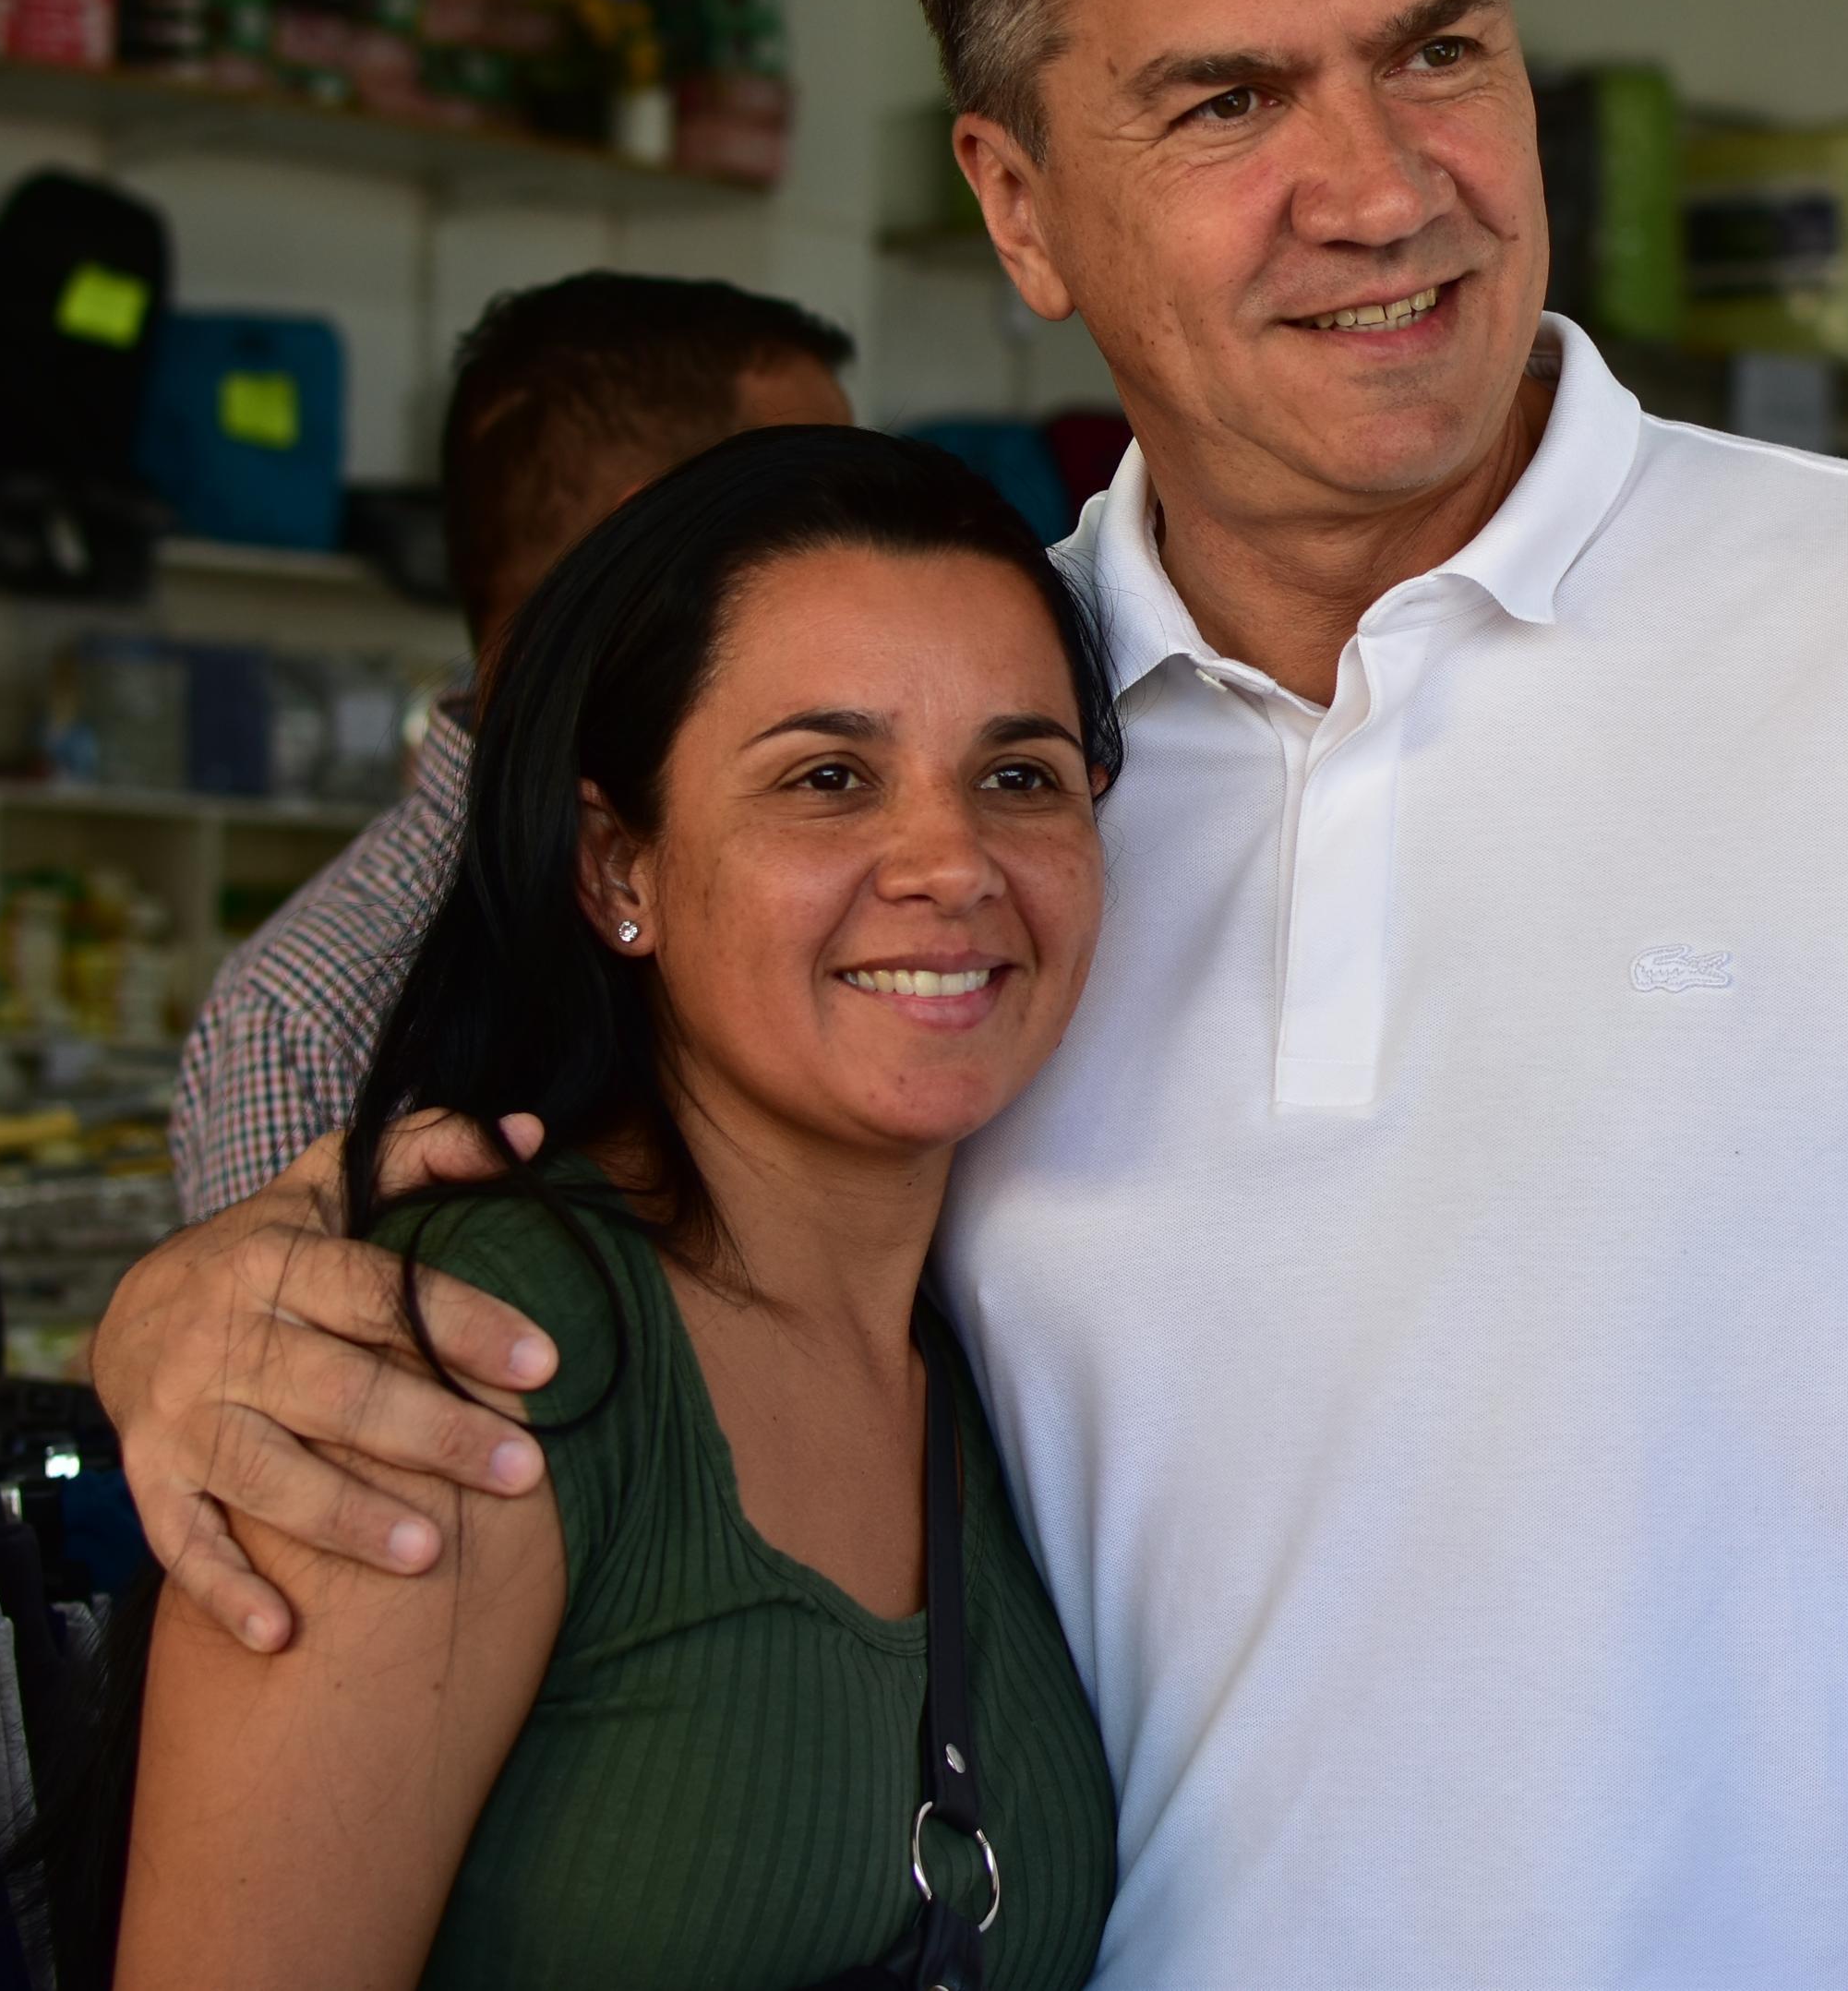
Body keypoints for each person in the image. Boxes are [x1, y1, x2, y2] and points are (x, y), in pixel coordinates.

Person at [94, 0, 1848, 1987]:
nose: (1379, 190)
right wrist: (172, 1315)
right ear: (1019, 207)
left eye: (1438, 49)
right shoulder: (963, 808)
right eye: (1225, 100)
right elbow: (508, 1199)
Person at [119, 426, 1124, 1989]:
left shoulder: (1010, 1349)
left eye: (1018, 776)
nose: (952, 862)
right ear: (617, 867)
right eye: (829, 777)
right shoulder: (468, 1354)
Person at [170, 270, 853, 1220]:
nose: (863, 554)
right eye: (814, 514)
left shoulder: (836, 885)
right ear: (645, 542)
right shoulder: (315, 1012)